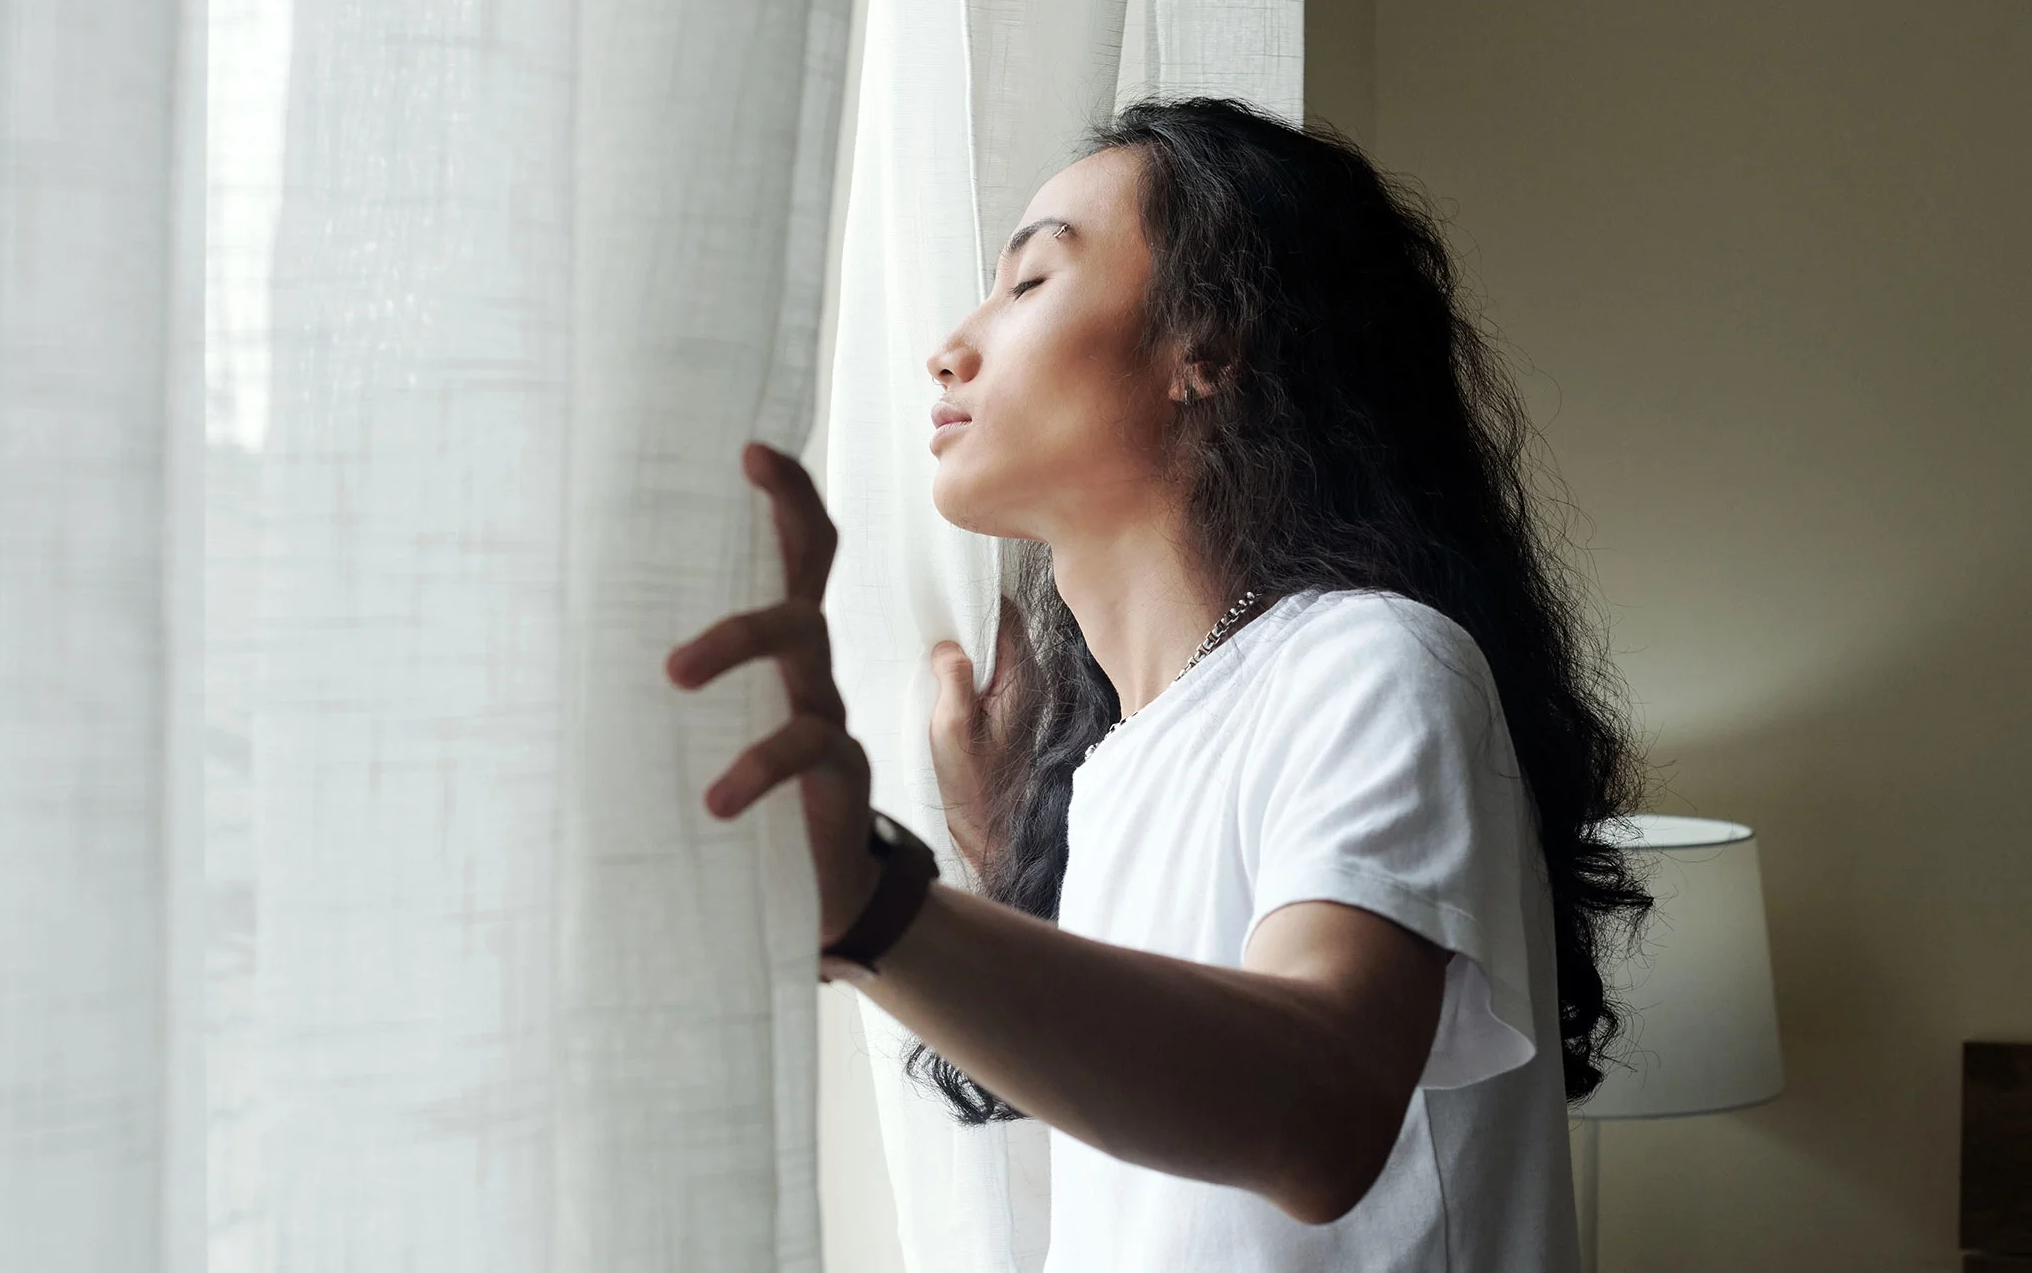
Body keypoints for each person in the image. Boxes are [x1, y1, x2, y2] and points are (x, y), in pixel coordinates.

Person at [664, 97, 1651, 1272]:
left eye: (1029, 284)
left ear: (1208, 349)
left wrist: (880, 906)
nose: (950, 345)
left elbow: (1320, 1110)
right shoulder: (1116, 765)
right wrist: (999, 854)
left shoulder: (1374, 663)